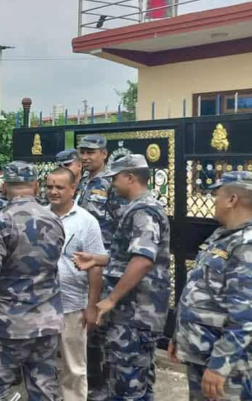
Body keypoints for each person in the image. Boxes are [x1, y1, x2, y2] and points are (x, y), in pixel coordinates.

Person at [170, 171, 252, 400]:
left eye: (217, 195)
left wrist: (220, 365)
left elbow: (244, 316)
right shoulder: (223, 237)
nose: (214, 201)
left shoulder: (250, 246)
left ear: (232, 200)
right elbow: (200, 290)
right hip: (203, 356)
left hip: (232, 371)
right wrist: (178, 337)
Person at [0, 161, 65, 401]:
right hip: (47, 323)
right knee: (43, 390)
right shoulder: (54, 220)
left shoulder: (1, 221)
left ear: (4, 188)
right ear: (36, 186)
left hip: (8, 324)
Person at [75, 154, 170, 400]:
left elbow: (143, 260)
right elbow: (130, 257)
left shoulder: (144, 211)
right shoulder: (137, 208)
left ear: (130, 178)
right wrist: (98, 259)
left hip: (134, 314)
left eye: (115, 178)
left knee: (127, 389)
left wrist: (111, 299)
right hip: (133, 314)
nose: (112, 184)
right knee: (137, 387)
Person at [43, 167, 106, 401]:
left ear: (73, 189)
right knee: (41, 365)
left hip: (72, 305)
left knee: (74, 367)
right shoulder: (39, 216)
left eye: (59, 187)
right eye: (49, 186)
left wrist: (92, 306)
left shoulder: (86, 222)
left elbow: (95, 266)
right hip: (40, 304)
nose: (53, 191)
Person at [73, 135, 125, 400]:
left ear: (104, 154)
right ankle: (91, 380)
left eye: (91, 152)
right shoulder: (84, 182)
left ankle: (103, 384)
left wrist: (108, 259)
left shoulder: (111, 184)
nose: (85, 157)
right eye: (82, 152)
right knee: (87, 323)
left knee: (101, 325)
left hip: (103, 264)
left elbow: (122, 227)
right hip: (83, 263)